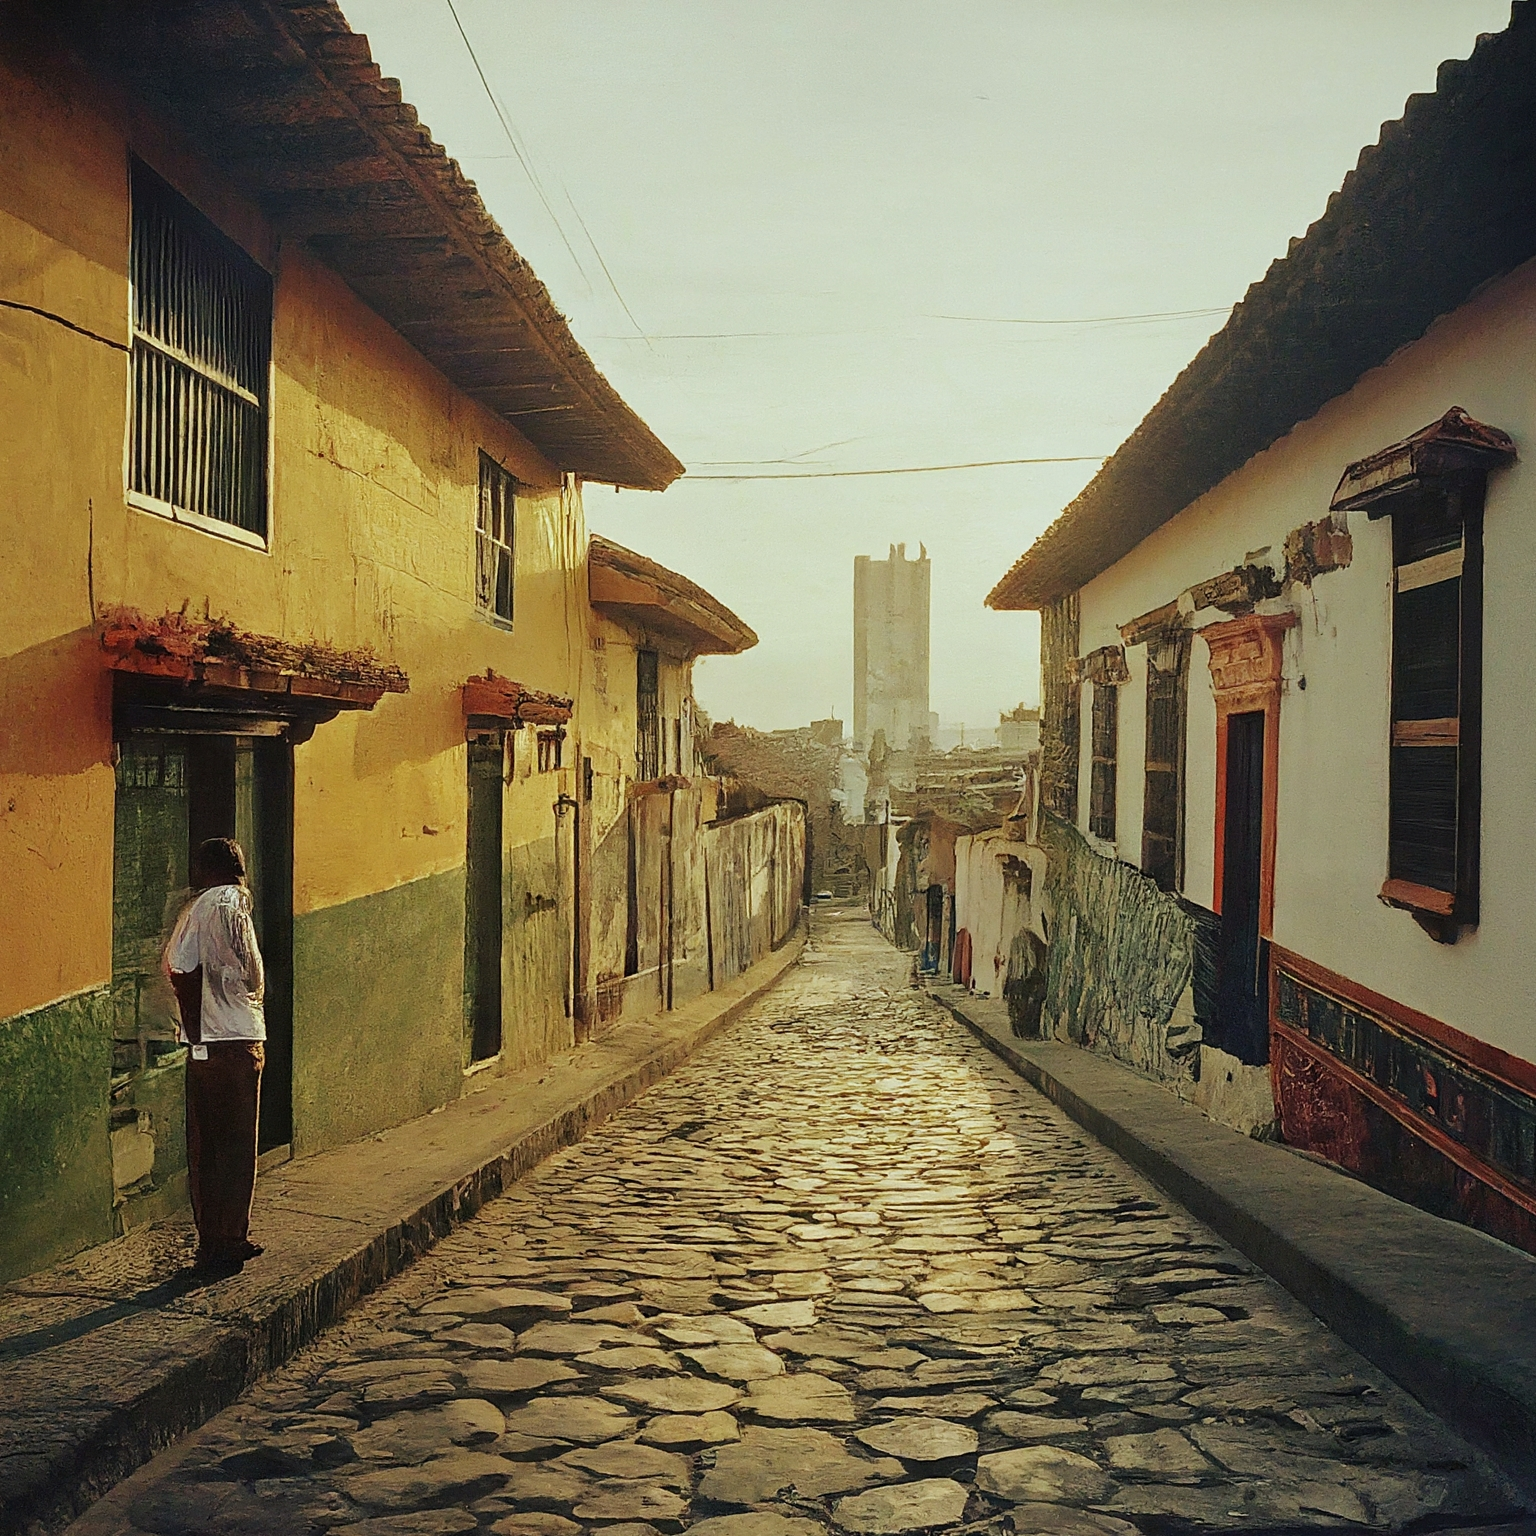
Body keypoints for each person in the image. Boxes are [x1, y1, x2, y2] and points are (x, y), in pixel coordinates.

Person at [165, 837, 266, 1275]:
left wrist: (196, 1038)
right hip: (236, 1040)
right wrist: (201, 1035)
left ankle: (215, 1240)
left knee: (209, 1145)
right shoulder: (230, 904)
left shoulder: (200, 909)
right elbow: (244, 972)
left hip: (213, 1044)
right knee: (238, 1144)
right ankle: (228, 1237)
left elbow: (179, 966)